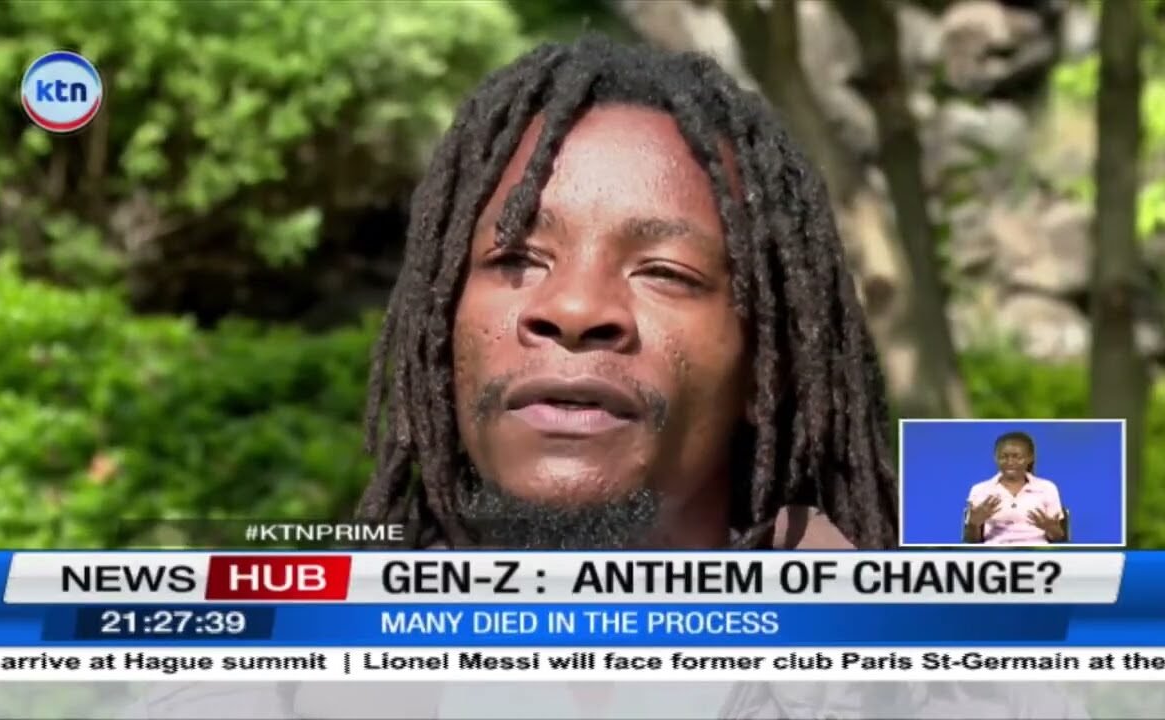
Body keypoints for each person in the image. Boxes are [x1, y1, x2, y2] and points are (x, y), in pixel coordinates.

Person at [354, 34, 898, 552]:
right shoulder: (330, 611)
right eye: (516, 258)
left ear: (767, 370)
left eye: (665, 272)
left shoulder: (886, 614)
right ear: (440, 331)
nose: (574, 310)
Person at [963, 431, 1066, 545]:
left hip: (1036, 551)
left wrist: (1051, 529)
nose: (1010, 462)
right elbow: (972, 541)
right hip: (995, 551)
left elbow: (1058, 539)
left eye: (1017, 457)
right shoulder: (980, 490)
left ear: (1030, 458)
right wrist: (973, 525)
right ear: (995, 458)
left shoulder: (1047, 488)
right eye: (1003, 457)